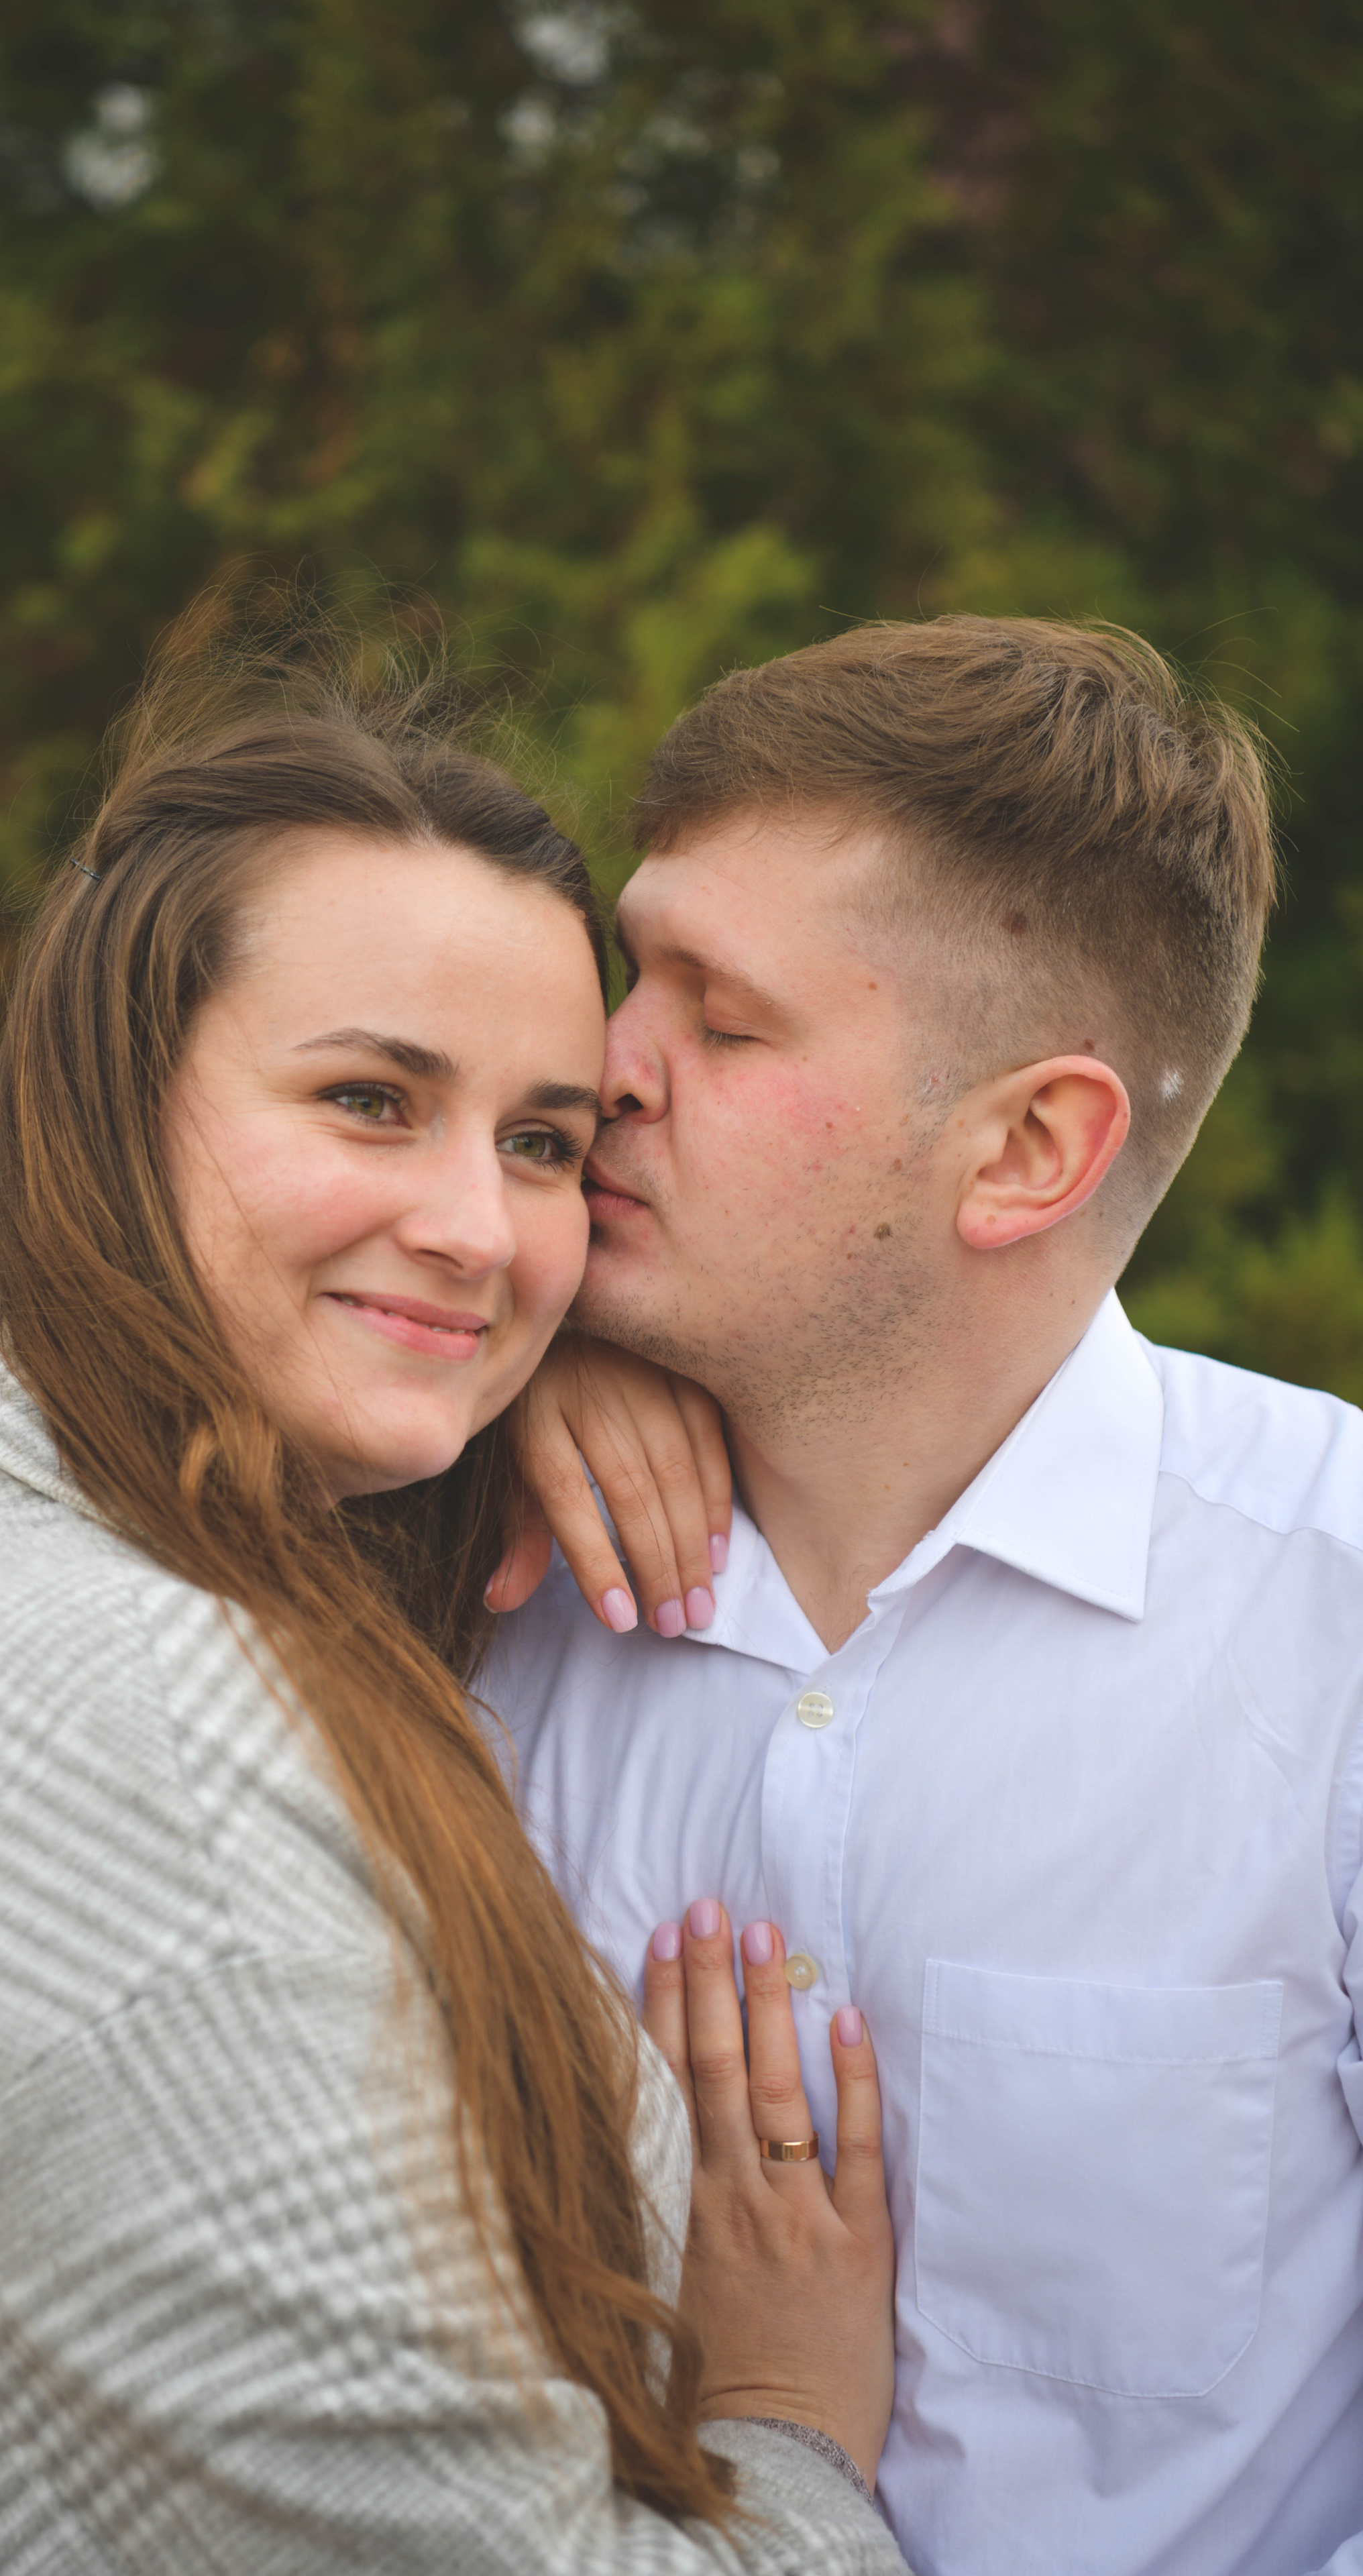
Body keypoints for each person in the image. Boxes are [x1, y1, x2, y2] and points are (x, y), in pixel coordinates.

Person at [0, 637, 910, 2575]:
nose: (477, 1228)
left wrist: (491, 1389)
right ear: (114, 1101)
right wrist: (787, 2425)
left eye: (541, 1144)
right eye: (367, 1099)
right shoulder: (165, 1829)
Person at [484, 616, 1363, 2576]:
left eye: (723, 1023)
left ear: (1029, 1150)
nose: (603, 1067)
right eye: (635, 971)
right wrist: (493, 1375)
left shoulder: (1334, 1631)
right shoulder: (460, 1563)